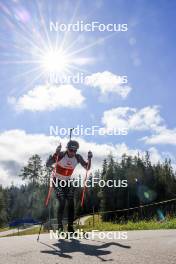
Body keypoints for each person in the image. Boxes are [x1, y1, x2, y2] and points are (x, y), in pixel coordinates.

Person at [46, 140, 93, 233]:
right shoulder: (61, 155)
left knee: (71, 203)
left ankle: (70, 228)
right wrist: (56, 153)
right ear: (67, 149)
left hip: (67, 181)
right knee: (62, 201)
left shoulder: (78, 157)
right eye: (71, 150)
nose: (72, 152)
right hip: (57, 181)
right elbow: (48, 164)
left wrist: (89, 158)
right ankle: (60, 227)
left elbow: (87, 168)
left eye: (75, 150)